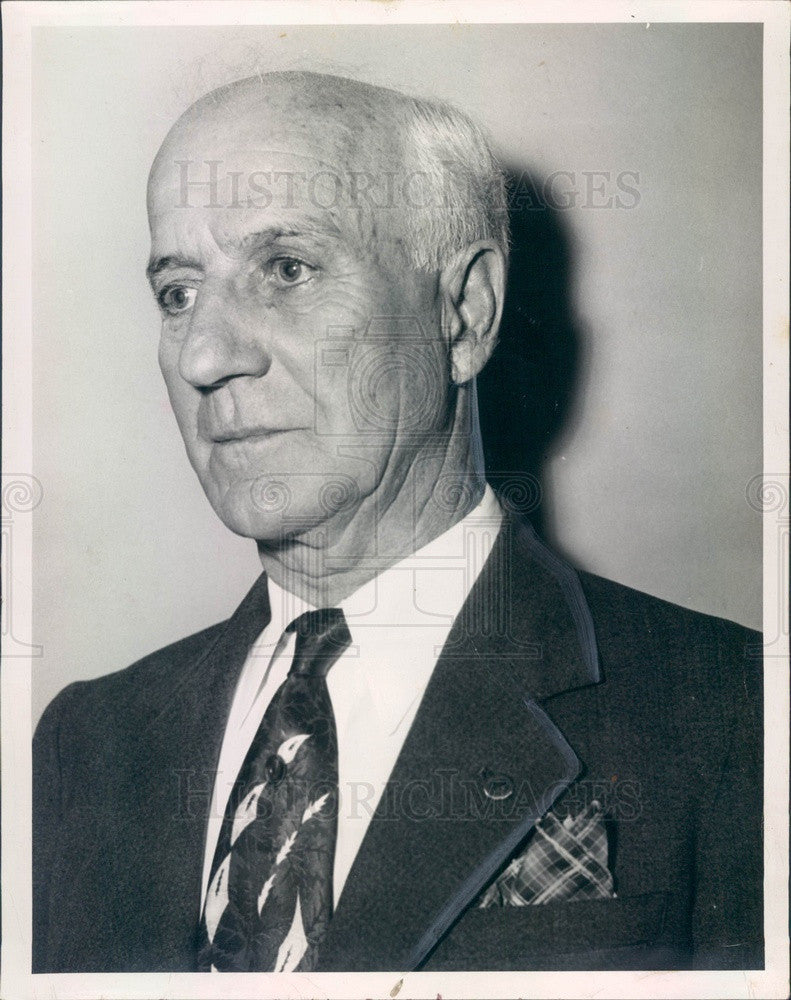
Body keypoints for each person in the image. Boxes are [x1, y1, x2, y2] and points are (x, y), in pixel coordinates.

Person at [33, 71, 762, 973]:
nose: (206, 355)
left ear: (463, 315)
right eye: (178, 293)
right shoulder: (85, 744)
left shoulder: (732, 715)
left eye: (287, 270)